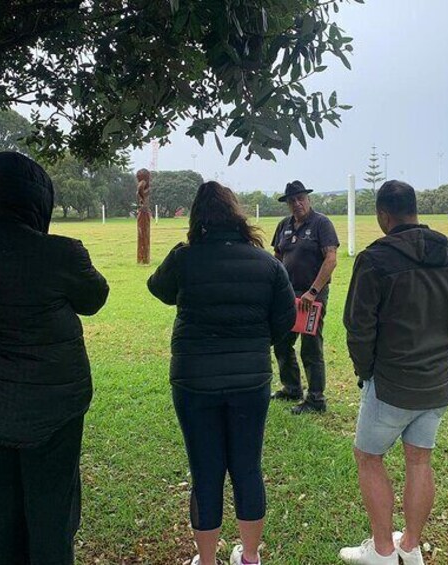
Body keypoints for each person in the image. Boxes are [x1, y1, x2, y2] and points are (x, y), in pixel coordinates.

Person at [0, 152, 109, 564]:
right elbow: (95, 298)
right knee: (51, 514)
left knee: (0, 511)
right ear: (40, 200)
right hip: (53, 408)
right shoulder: (61, 253)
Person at [148, 181, 296, 565]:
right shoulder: (268, 264)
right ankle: (249, 556)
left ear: (198, 218)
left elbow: (158, 288)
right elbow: (285, 321)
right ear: (237, 215)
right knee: (248, 467)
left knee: (205, 471)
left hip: (193, 380)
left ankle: (207, 560)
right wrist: (254, 343)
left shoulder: (185, 258)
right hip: (251, 380)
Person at [339, 180, 448, 565]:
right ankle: (410, 546)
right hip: (438, 380)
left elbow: (358, 325)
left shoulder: (375, 260)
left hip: (392, 383)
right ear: (415, 210)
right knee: (419, 461)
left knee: (368, 457)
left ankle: (382, 550)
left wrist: (366, 371)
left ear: (383, 215)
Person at [270, 180, 339, 414]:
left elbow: (331, 259)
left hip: (312, 296)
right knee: (281, 341)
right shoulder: (283, 225)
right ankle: (291, 388)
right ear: (287, 204)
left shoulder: (321, 224)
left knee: (310, 346)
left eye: (301, 198)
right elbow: (277, 258)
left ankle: (316, 399)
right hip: (287, 296)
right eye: (292, 200)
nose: (297, 203)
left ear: (308, 199)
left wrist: (313, 291)